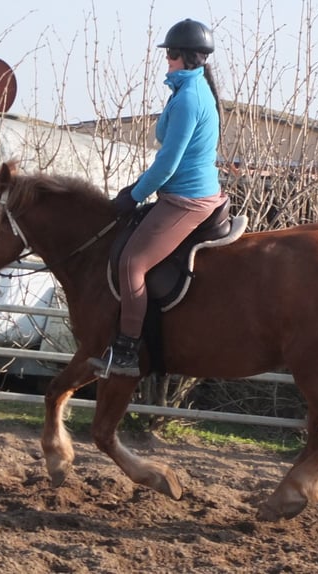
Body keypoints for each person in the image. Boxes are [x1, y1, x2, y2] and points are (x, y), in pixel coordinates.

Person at [88, 18, 227, 378]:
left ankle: (126, 352)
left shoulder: (189, 98)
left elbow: (168, 161)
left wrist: (133, 195)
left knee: (132, 263)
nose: (166, 60)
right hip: (179, 195)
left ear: (182, 56)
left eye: (169, 55)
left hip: (187, 200)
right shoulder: (187, 91)